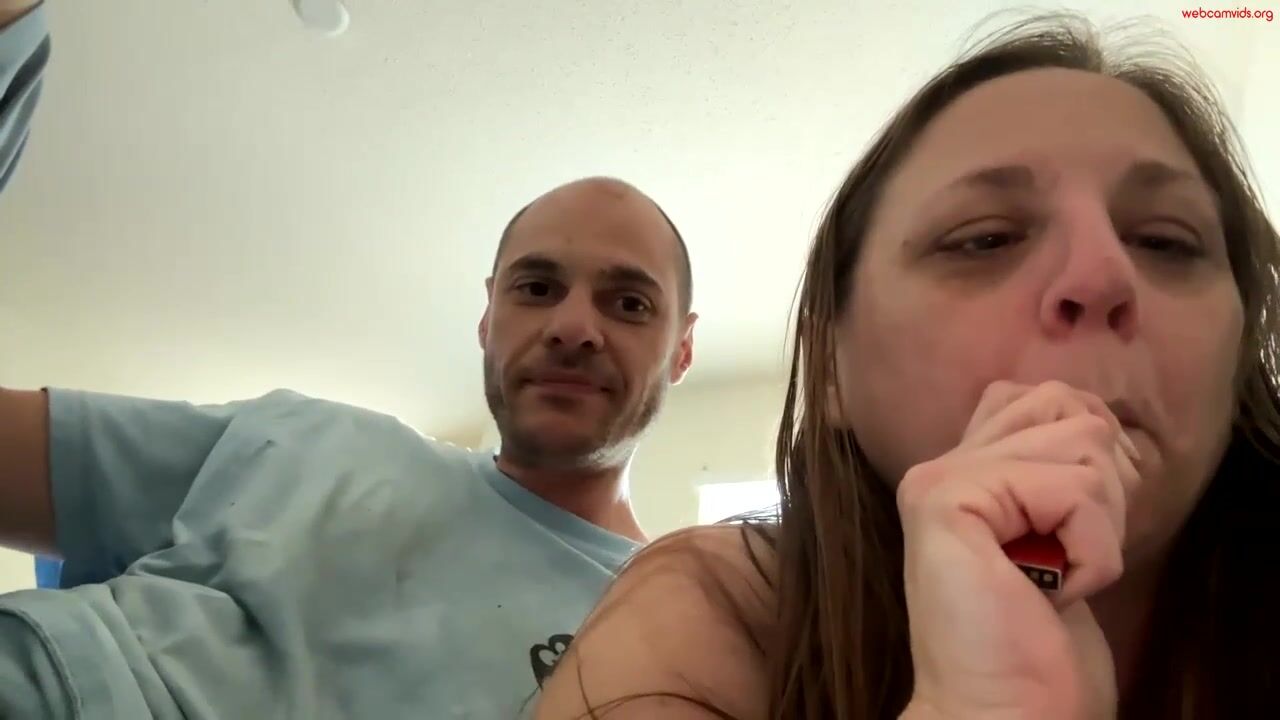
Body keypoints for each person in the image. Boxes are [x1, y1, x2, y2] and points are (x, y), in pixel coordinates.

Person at [535, 12, 1280, 720]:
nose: (1102, 275)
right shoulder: (717, 603)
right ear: (830, 365)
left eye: (1166, 241)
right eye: (986, 239)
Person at [0, 7, 699, 717]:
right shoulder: (304, 441)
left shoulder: (686, 638)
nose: (573, 327)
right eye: (537, 289)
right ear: (489, 319)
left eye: (629, 303)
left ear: (682, 348)